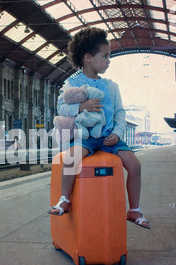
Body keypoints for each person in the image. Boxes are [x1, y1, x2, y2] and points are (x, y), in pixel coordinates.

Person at [47, 27, 149, 229]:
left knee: (135, 166)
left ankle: (134, 210)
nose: (108, 60)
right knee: (71, 158)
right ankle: (64, 199)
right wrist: (81, 107)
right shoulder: (72, 83)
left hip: (111, 137)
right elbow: (61, 107)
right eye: (105, 56)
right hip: (86, 137)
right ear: (87, 57)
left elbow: (120, 113)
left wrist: (117, 133)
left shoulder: (112, 86)